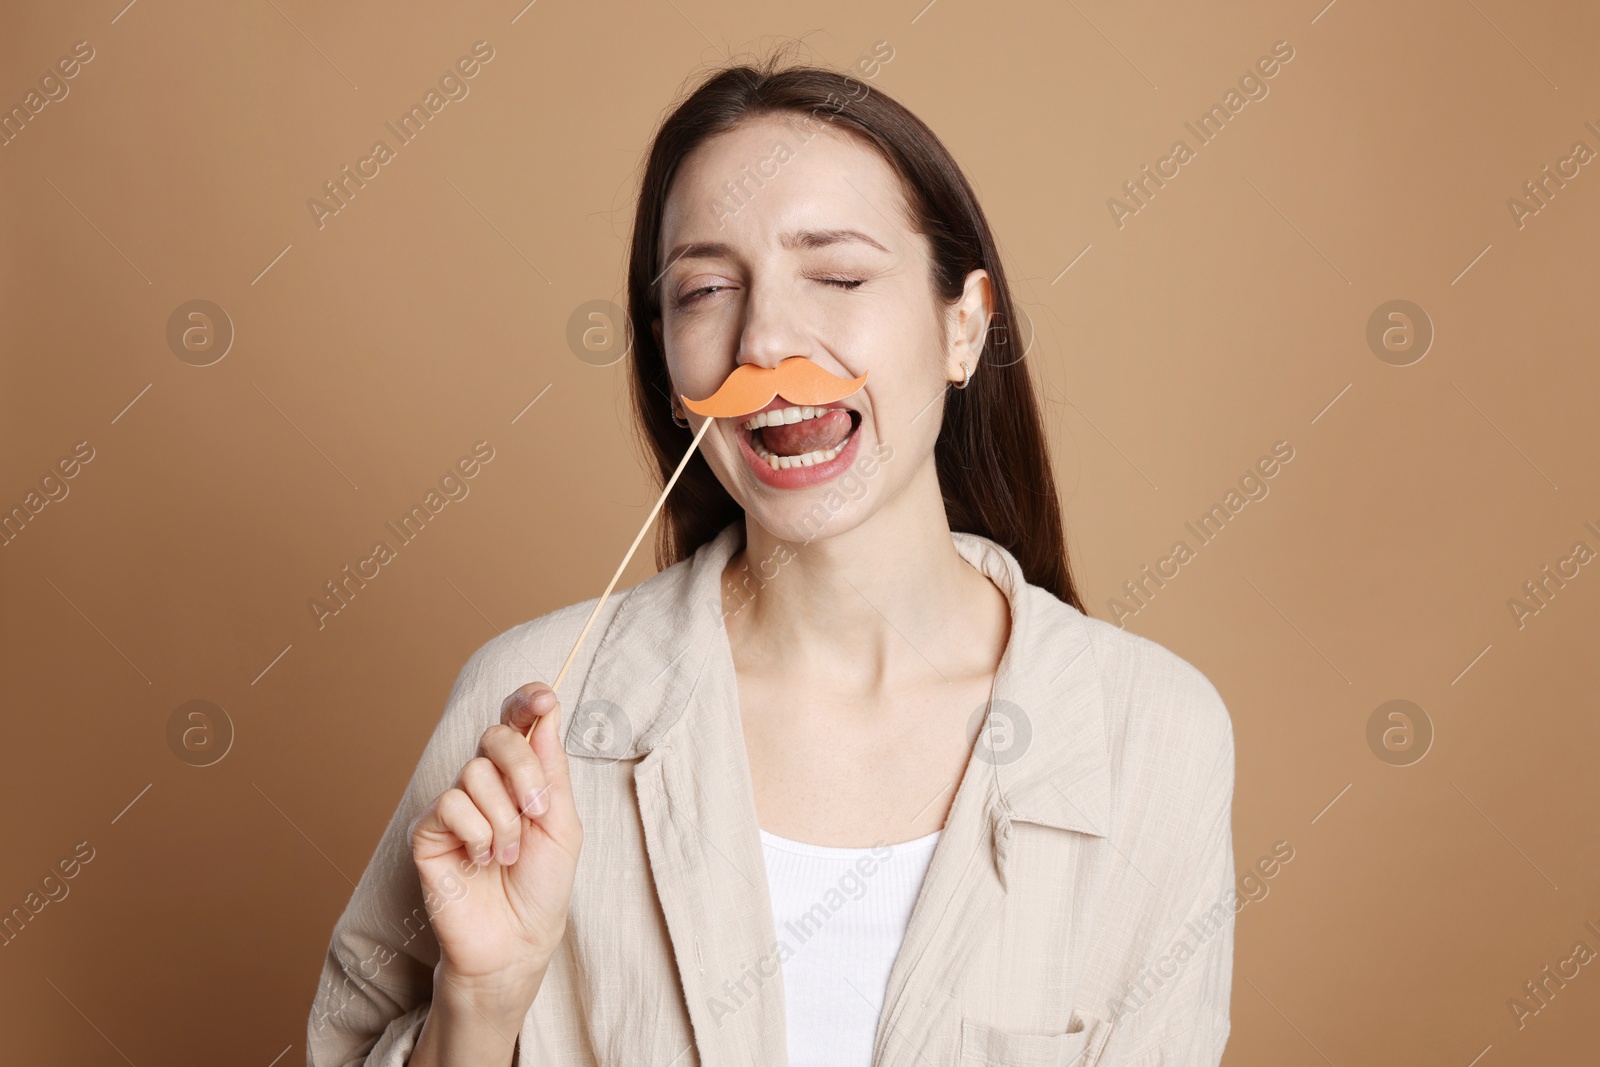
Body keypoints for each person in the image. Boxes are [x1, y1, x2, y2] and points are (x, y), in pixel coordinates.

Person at [308, 53, 1236, 1067]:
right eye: (704, 291)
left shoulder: (1153, 733)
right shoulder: (530, 714)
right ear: (669, 369)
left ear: (962, 325)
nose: (764, 341)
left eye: (836, 274)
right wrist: (479, 1002)